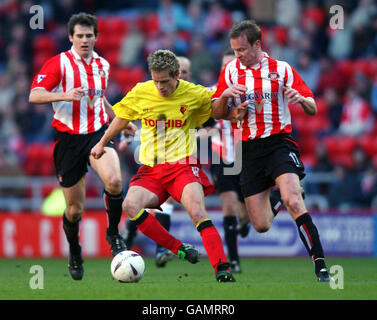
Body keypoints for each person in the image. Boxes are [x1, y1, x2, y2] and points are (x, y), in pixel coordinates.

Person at [91, 49, 235, 282]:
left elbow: (218, 113)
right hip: (152, 169)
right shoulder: (141, 91)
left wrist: (232, 111)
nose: (160, 87)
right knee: (130, 205)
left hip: (183, 166)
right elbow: (122, 117)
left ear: (177, 75)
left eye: (165, 81)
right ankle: (179, 248)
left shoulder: (194, 94)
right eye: (156, 81)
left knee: (197, 211)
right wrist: (102, 143)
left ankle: (223, 270)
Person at [212, 20, 331, 282]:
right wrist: (228, 103)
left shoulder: (282, 69)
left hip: (278, 143)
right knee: (261, 225)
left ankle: (321, 266)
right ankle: (275, 201)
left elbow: (312, 106)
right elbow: (217, 113)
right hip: (248, 150)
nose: (237, 55)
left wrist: (301, 101)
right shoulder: (231, 71)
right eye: (234, 50)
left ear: (257, 44)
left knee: (294, 199)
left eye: (242, 49)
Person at [29, 13, 136, 281]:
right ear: (71, 37)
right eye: (80, 36)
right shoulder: (58, 64)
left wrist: (118, 122)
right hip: (68, 140)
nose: (85, 40)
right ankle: (75, 251)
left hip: (97, 133)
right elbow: (34, 95)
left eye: (89, 36)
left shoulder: (103, 65)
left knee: (114, 181)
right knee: (74, 210)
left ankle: (113, 233)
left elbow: (99, 100)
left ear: (96, 37)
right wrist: (65, 94)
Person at [205, 49, 283, 273]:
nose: (227, 69)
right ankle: (234, 260)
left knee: (247, 217)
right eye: (223, 66)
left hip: (246, 156)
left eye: (231, 64)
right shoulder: (212, 93)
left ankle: (275, 201)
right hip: (223, 156)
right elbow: (205, 122)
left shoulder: (254, 91)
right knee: (228, 206)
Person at [122, 55, 192, 268]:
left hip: (180, 156)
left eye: (186, 71)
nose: (184, 74)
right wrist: (128, 137)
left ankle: (147, 240)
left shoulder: (192, 96)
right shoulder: (153, 93)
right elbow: (138, 117)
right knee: (149, 203)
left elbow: (209, 123)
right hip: (151, 156)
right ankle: (137, 233)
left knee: (162, 202)